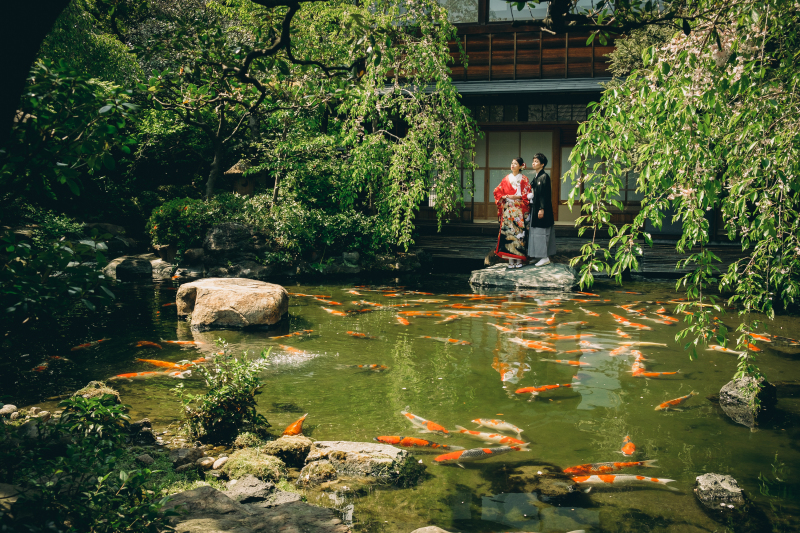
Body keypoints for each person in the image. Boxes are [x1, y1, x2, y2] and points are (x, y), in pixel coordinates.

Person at [493, 157, 531, 269]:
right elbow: (497, 191)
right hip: (508, 209)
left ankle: (519, 259)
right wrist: (504, 196)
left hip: (519, 208)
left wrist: (518, 196)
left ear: (521, 166)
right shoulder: (506, 179)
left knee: (519, 233)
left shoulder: (524, 179)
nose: (513, 165)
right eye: (512, 163)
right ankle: (510, 260)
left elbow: (528, 194)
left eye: (515, 164)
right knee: (508, 233)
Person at [526, 152, 556, 266]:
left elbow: (544, 194)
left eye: (536, 161)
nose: (534, 163)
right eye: (533, 161)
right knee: (535, 232)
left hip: (542, 209)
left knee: (542, 233)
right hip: (535, 207)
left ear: (542, 164)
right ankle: (539, 256)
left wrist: (542, 208)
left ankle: (545, 256)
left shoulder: (544, 176)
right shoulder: (536, 177)